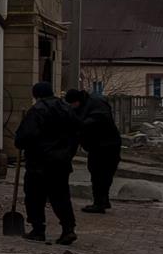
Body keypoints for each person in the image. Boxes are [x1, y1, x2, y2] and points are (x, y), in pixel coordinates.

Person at [14, 81, 80, 245]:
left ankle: (38, 230)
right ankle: (68, 229)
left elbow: (25, 137)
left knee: (35, 196)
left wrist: (20, 142)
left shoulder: (37, 111)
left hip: (39, 163)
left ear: (36, 95)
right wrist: (67, 154)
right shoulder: (67, 109)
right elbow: (76, 135)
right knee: (61, 196)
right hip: (61, 163)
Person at [66, 87, 122, 213]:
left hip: (107, 144)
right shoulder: (82, 106)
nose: (72, 106)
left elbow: (97, 120)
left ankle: (99, 203)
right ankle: (102, 201)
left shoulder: (96, 103)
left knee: (102, 174)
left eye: (72, 103)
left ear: (77, 100)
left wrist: (82, 124)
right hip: (99, 145)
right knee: (98, 173)